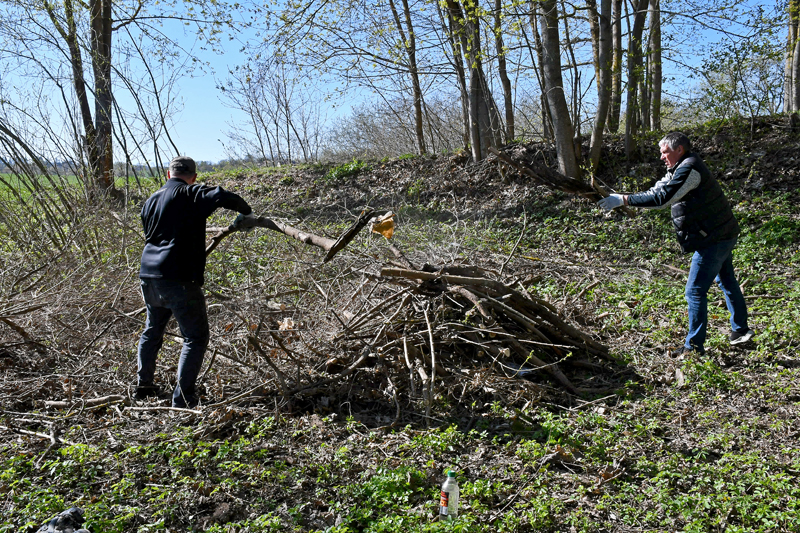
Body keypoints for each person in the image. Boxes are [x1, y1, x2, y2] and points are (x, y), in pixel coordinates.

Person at [598, 132, 755, 355]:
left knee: (694, 291)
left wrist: (623, 199)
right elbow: (657, 190)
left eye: (665, 152)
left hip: (713, 238)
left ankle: (693, 347)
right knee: (727, 280)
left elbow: (663, 199)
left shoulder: (689, 169)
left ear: (679, 150)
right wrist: (623, 197)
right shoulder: (680, 167)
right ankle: (740, 331)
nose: (662, 157)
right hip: (723, 232)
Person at [136, 156, 255, 407]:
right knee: (195, 338)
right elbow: (222, 195)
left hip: (148, 275)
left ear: (168, 175)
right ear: (194, 177)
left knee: (152, 331)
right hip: (178, 277)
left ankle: (144, 386)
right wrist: (247, 213)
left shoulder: (150, 201)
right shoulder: (191, 193)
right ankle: (183, 399)